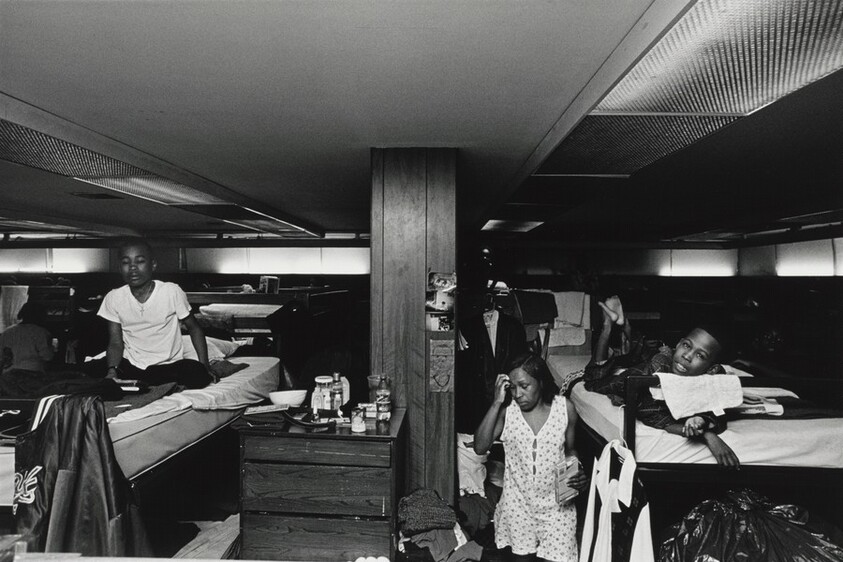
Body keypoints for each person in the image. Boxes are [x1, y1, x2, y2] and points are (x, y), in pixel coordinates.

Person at [584, 296, 740, 467]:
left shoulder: (717, 376)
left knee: (641, 351)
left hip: (661, 356)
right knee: (594, 382)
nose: (687, 356)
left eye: (700, 355)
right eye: (687, 346)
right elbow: (653, 414)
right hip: (652, 366)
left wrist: (700, 419)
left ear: (711, 369)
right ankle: (609, 326)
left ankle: (626, 329)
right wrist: (708, 435)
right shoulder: (654, 371)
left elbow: (720, 411)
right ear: (679, 344)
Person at [474, 353, 587, 562]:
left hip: (557, 508)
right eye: (513, 388)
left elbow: (571, 449)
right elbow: (480, 447)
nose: (518, 394)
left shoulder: (564, 409)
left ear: (541, 382)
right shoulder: (508, 413)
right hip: (518, 507)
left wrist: (576, 472)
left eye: (524, 386)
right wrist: (496, 402)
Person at [96, 239, 213, 388]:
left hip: (167, 366)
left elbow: (194, 329)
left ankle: (142, 384)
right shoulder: (114, 297)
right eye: (126, 262)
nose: (132, 268)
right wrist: (112, 371)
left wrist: (205, 365)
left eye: (140, 261)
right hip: (132, 365)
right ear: (120, 267)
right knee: (86, 370)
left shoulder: (171, 291)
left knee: (197, 373)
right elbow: (115, 342)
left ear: (153, 265)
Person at [0, 302, 54, 374]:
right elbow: (47, 356)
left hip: (8, 374)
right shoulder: (41, 333)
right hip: (32, 373)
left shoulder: (7, 332)